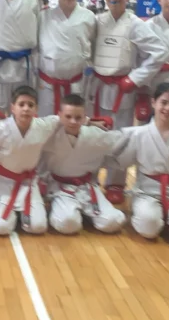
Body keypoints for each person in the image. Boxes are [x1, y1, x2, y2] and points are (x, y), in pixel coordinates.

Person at [86, 0, 168, 205]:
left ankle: (116, 182)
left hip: (122, 89)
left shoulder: (135, 24)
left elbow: (160, 52)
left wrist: (135, 78)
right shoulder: (97, 21)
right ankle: (89, 177)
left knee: (120, 137)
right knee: (93, 134)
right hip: (97, 87)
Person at [112, 83, 169, 241]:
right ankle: (145, 212)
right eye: (164, 102)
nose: (168, 108)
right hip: (147, 193)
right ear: (153, 102)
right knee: (149, 227)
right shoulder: (139, 134)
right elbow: (121, 161)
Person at [0, 85, 61, 236]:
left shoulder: (43, 126)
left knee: (38, 227)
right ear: (13, 108)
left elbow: (66, 118)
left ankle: (21, 214)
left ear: (36, 109)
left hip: (28, 183)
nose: (26, 109)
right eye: (21, 104)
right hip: (2, 183)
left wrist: (91, 122)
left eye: (30, 105)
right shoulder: (0, 128)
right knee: (2, 228)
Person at [42, 94, 125, 234]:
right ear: (59, 115)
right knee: (68, 224)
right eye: (68, 117)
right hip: (61, 188)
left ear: (84, 117)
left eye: (78, 117)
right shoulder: (50, 133)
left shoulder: (94, 134)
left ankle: (87, 212)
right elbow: (33, 126)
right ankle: (71, 210)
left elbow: (120, 142)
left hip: (86, 187)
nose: (73, 121)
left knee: (113, 222)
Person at [38, 0, 96, 116]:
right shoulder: (43, 16)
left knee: (74, 125)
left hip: (76, 84)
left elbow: (94, 49)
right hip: (47, 86)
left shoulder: (89, 17)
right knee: (47, 124)